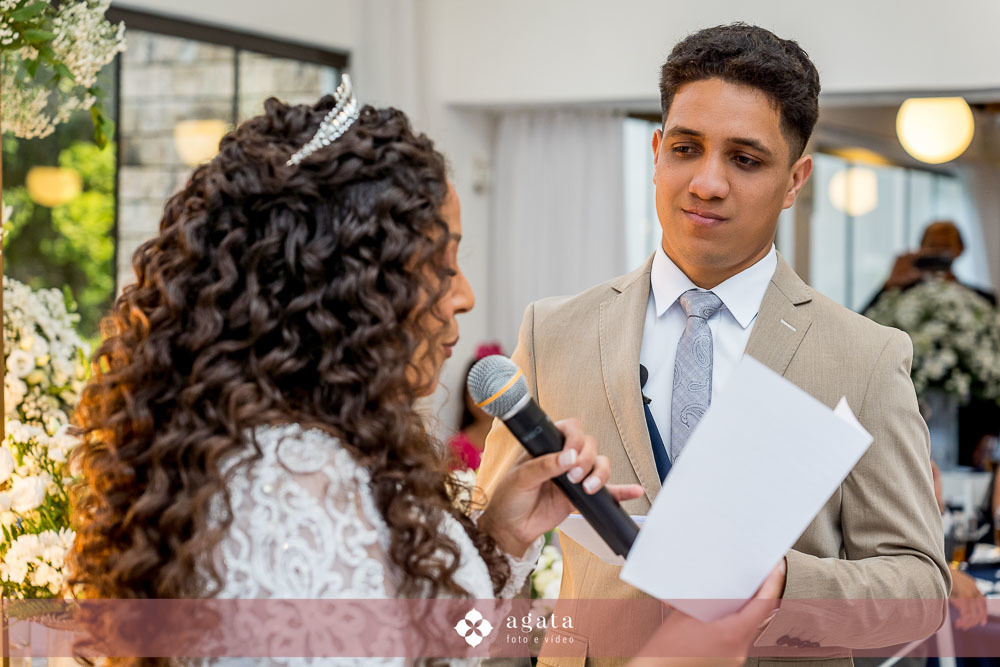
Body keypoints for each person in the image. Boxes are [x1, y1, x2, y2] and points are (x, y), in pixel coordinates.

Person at [66, 77, 781, 664]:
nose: (465, 294)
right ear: (344, 287)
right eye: (441, 262)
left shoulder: (316, 451)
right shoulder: (293, 487)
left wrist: (499, 543)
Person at [477, 23, 950, 665]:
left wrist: (786, 586)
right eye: (685, 149)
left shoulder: (864, 357)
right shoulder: (554, 331)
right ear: (655, 153)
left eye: (745, 159)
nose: (706, 183)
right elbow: (491, 562)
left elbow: (918, 592)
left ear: (795, 180)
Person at [449, 342, 506, 471]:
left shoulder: (517, 440)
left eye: (491, 391)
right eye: (475, 391)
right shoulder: (456, 447)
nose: (482, 400)